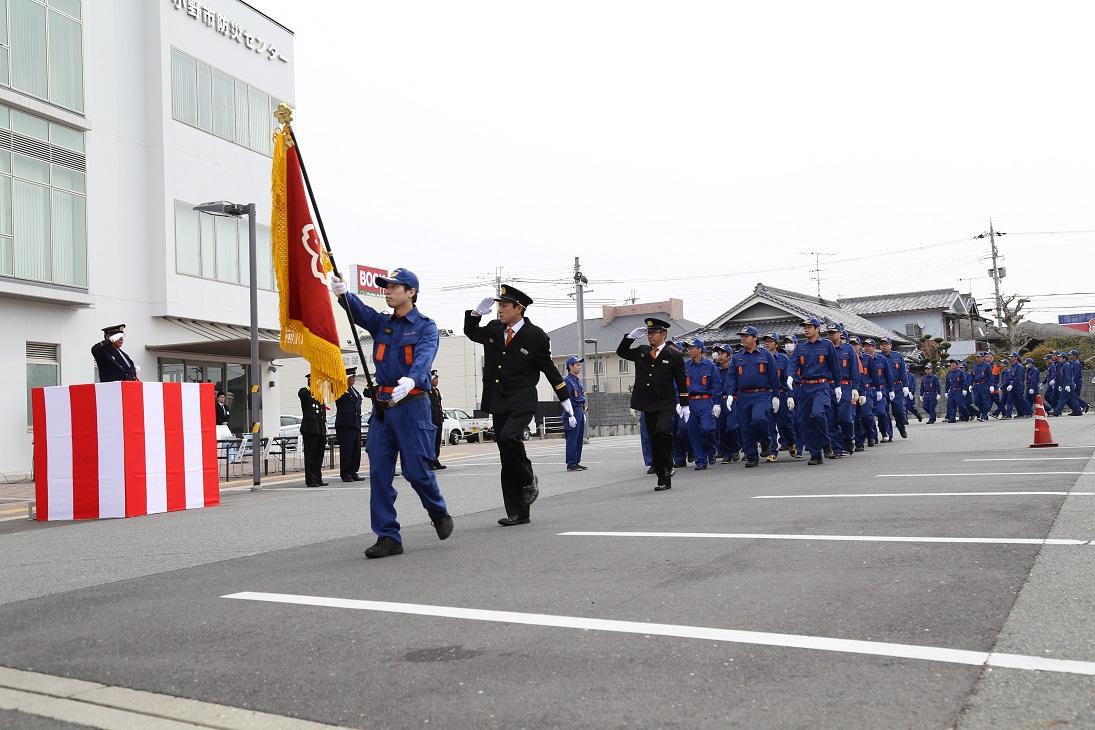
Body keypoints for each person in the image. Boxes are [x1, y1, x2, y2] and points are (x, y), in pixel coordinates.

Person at [331, 268, 454, 558]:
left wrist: (413, 378)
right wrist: (343, 294)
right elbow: (360, 313)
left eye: (393, 287)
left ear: (411, 292)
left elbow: (424, 356)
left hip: (412, 405)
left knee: (416, 471)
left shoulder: (425, 326)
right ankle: (388, 536)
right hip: (383, 408)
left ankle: (438, 511)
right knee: (379, 472)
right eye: (385, 287)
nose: (387, 291)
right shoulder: (383, 324)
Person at [465, 284, 574, 525]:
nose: (499, 310)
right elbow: (471, 333)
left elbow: (548, 368)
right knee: (507, 456)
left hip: (522, 399)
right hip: (498, 399)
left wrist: (564, 397)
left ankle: (528, 480)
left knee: (508, 438)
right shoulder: (494, 328)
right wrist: (475, 314)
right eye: (498, 305)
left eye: (504, 305)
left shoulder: (536, 336)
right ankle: (518, 512)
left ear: (519, 308)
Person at [617, 317, 689, 490]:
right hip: (648, 403)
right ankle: (662, 475)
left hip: (666, 403)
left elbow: (681, 381)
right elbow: (621, 352)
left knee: (662, 431)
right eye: (648, 333)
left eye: (654, 332)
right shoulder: (642, 351)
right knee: (654, 439)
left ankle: (668, 465)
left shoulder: (674, 355)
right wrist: (630, 338)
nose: (650, 335)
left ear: (663, 334)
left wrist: (684, 404)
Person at [725, 326, 779, 467]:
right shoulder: (737, 357)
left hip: (762, 393)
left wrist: (776, 395)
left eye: (746, 336)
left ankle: (766, 441)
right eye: (742, 336)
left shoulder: (765, 354)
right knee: (745, 427)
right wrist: (730, 394)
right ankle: (752, 456)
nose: (743, 338)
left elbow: (773, 376)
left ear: (755, 338)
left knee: (758, 418)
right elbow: (731, 377)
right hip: (744, 395)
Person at [789, 318, 841, 465]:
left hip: (821, 386)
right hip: (805, 387)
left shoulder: (827, 345)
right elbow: (793, 364)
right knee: (807, 422)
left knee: (818, 414)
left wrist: (837, 386)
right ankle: (815, 454)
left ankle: (826, 442)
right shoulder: (801, 347)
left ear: (817, 329)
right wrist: (790, 376)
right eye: (804, 327)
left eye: (809, 327)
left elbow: (835, 367)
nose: (806, 329)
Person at [683, 338, 720, 470]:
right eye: (688, 348)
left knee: (708, 429)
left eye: (692, 347)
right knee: (693, 432)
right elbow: (679, 386)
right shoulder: (685, 366)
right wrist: (680, 403)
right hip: (690, 402)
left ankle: (711, 449)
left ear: (700, 349)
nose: (689, 350)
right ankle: (700, 460)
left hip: (706, 401)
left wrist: (716, 403)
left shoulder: (710, 366)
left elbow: (716, 385)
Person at [826, 323, 859, 458]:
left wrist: (855, 388)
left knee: (845, 418)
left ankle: (849, 439)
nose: (831, 335)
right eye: (829, 333)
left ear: (840, 333)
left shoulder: (848, 349)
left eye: (834, 332)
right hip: (828, 386)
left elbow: (854, 370)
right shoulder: (824, 348)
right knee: (831, 419)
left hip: (845, 386)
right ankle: (837, 448)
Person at [861, 338, 894, 442]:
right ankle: (873, 436)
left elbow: (888, 375)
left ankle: (884, 432)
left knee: (881, 412)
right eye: (865, 346)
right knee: (868, 414)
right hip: (867, 389)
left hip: (880, 389)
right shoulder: (861, 359)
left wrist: (891, 389)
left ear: (874, 347)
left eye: (869, 346)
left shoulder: (881, 359)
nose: (866, 348)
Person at [298, 375, 328, 488]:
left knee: (318, 456)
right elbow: (301, 393)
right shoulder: (306, 393)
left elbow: (322, 414)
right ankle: (310, 480)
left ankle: (318, 478)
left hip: (319, 429)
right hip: (310, 429)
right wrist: (310, 387)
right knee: (310, 456)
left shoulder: (318, 396)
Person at [335, 367, 364, 482]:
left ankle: (353, 471)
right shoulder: (340, 390)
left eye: (354, 377)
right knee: (347, 450)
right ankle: (345, 473)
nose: (354, 380)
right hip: (345, 425)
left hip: (355, 424)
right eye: (352, 377)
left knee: (356, 450)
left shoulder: (354, 391)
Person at [561, 356, 588, 471]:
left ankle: (576, 461)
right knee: (572, 438)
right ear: (570, 367)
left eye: (579, 364)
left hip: (579, 410)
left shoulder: (577, 380)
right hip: (572, 410)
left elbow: (580, 396)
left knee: (578, 438)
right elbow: (565, 399)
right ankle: (571, 463)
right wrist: (571, 415)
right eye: (577, 365)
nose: (579, 367)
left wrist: (582, 413)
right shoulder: (567, 380)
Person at [879, 338, 909, 439]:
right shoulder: (877, 357)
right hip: (884, 387)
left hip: (897, 386)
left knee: (899, 410)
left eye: (886, 344)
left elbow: (903, 371)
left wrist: (905, 385)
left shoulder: (897, 355)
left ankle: (901, 427)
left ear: (890, 345)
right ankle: (888, 434)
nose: (884, 346)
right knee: (884, 411)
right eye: (882, 344)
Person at [428, 370, 447, 469]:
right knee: (431, 441)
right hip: (431, 419)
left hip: (438, 418)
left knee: (437, 440)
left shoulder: (437, 390)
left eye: (437, 378)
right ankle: (430, 461)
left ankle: (435, 459)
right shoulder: (427, 391)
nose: (437, 380)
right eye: (435, 378)